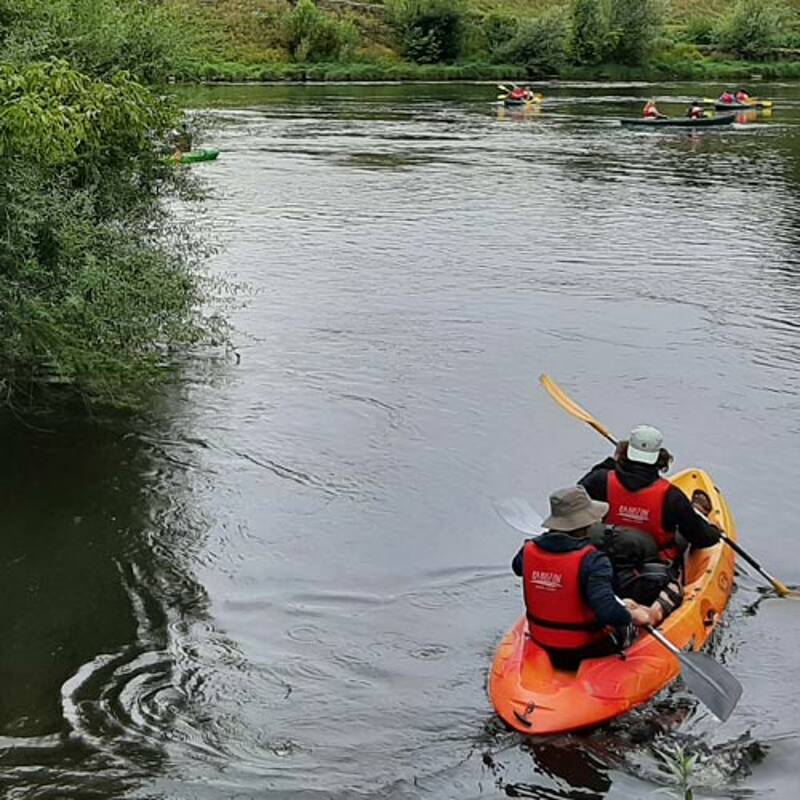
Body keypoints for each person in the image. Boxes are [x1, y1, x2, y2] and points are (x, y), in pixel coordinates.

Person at [579, 425, 721, 624]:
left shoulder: (600, 480)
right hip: (649, 575)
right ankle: (696, 511)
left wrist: (613, 461)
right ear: (659, 458)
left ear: (626, 452)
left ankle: (694, 511)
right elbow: (703, 539)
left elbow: (576, 498)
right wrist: (715, 532)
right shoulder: (671, 496)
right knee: (683, 533)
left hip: (606, 563)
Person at [511, 485, 654, 671]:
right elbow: (608, 613)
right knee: (629, 622)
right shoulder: (594, 561)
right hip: (587, 648)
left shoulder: (528, 550)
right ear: (586, 523)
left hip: (542, 641)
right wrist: (635, 615)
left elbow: (517, 567)